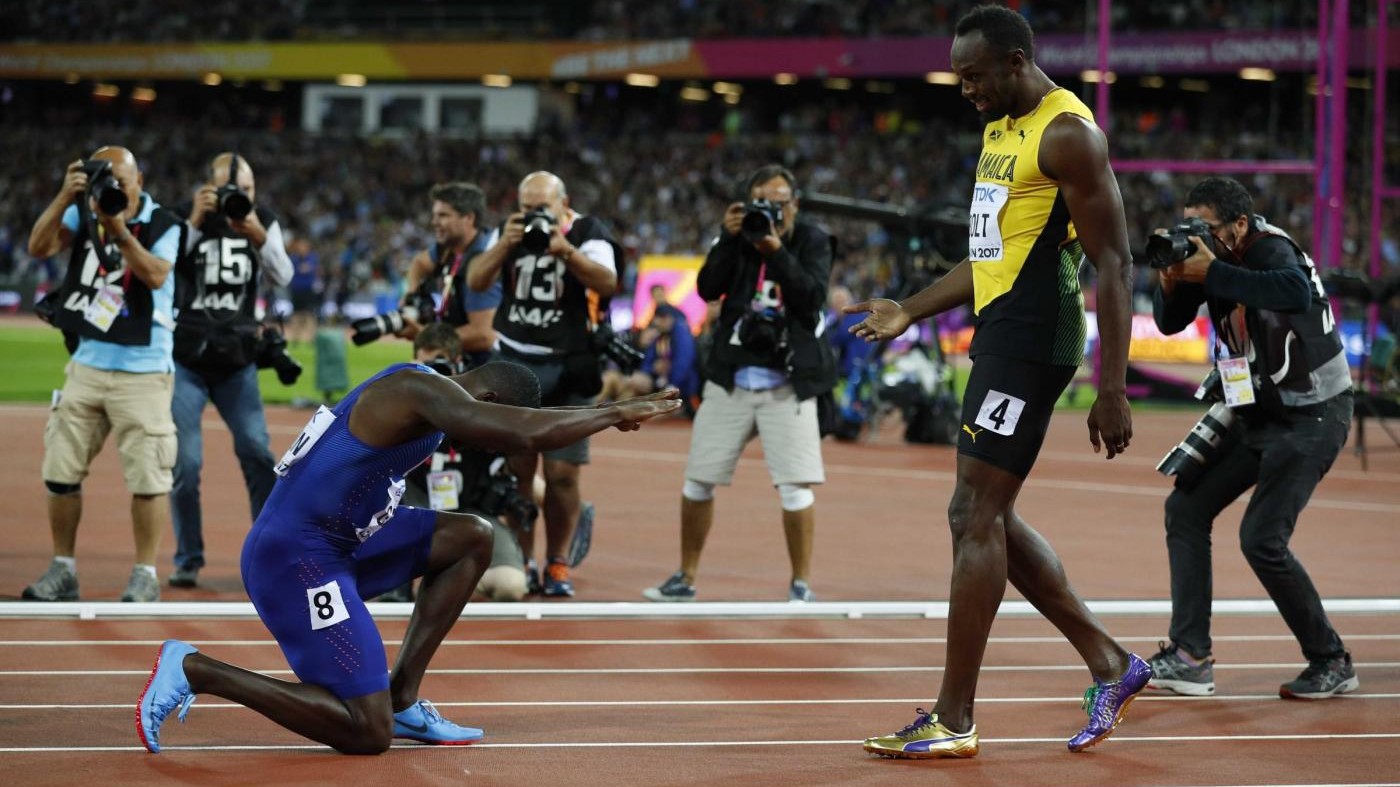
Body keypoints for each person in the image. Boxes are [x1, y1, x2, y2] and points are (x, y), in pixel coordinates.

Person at [848, 6, 1147, 758]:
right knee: (988, 516)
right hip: (1000, 334)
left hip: (1034, 337)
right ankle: (1112, 661)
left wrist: (1113, 387)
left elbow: (1115, 263)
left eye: (975, 76)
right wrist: (908, 310)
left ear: (1016, 62)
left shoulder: (1067, 133)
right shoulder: (998, 132)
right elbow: (988, 254)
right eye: (960, 77)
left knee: (972, 513)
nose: (966, 90)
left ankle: (955, 716)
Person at [136, 361, 680, 754]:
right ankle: (196, 669)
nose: (493, 443)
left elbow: (518, 430)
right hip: (296, 561)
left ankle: (403, 698)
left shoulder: (430, 401)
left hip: (339, 544)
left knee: (472, 536)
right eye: (494, 426)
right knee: (366, 732)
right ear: (489, 403)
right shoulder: (414, 389)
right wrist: (611, 411)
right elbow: (524, 431)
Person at [1147, 176, 1356, 700]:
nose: (1197, 236)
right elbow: (1171, 324)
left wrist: (1212, 270)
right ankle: (1190, 656)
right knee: (1186, 510)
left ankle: (1331, 659)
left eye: (1206, 226)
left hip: (1313, 414)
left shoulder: (1270, 248)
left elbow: (1294, 290)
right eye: (1190, 224)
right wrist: (1173, 280)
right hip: (1256, 412)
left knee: (1262, 538)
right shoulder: (1210, 255)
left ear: (1238, 225)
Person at [642, 164, 836, 603]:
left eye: (780, 201)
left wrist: (774, 248)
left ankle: (800, 585)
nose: (772, 209)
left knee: (794, 485)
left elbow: (810, 299)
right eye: (762, 201)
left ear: (796, 204)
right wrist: (732, 239)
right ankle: (686, 576)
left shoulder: (813, 240)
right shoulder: (736, 238)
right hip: (732, 378)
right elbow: (708, 289)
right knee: (698, 480)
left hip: (789, 381)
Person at [23, 147, 183, 603]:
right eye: (104, 181)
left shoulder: (164, 224)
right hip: (89, 362)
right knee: (59, 469)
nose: (114, 190)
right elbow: (39, 247)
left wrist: (117, 229)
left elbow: (154, 275)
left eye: (122, 181)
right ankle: (63, 568)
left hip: (145, 367)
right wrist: (63, 198)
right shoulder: (82, 211)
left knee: (149, 477)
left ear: (140, 180)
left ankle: (145, 573)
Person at [466, 171, 622, 597]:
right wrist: (503, 244)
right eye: (528, 206)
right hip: (517, 364)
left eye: (543, 206)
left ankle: (558, 561)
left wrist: (565, 249)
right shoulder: (508, 232)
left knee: (562, 474)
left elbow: (608, 282)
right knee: (518, 472)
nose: (535, 214)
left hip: (570, 365)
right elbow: (475, 281)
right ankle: (523, 558)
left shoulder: (588, 233)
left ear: (563, 203)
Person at [167, 152, 294, 589]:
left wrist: (258, 233)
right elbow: (161, 268)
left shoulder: (264, 220)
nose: (241, 199)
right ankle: (188, 557)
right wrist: (194, 223)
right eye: (232, 191)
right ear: (210, 188)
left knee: (259, 453)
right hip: (186, 359)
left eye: (249, 192)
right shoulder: (183, 217)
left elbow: (283, 274)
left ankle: (267, 553)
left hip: (238, 360)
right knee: (184, 461)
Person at [380, 322, 535, 604]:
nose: (433, 374)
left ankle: (452, 571)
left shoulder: (481, 398)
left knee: (510, 586)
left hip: (468, 507)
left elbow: (521, 457)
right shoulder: (399, 395)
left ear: (457, 363)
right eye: (425, 366)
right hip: (415, 502)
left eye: (440, 364)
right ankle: (399, 571)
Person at [396, 182, 500, 369]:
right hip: (461, 362)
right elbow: (419, 263)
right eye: (435, 215)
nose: (434, 222)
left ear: (468, 217)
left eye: (443, 215)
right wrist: (409, 296)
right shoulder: (450, 247)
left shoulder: (483, 262)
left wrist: (424, 335)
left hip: (485, 372)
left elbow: (484, 335)